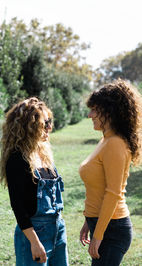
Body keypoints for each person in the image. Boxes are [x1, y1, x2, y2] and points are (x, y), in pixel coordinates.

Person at [0, 97, 69, 266]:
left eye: (50, 121)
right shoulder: (17, 158)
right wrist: (35, 242)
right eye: (45, 123)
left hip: (58, 230)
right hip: (34, 235)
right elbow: (18, 206)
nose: (50, 127)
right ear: (30, 126)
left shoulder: (43, 153)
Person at [79, 79, 142, 266]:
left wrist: (98, 235)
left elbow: (113, 193)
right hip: (102, 224)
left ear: (110, 112)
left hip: (112, 230)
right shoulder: (106, 140)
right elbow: (98, 188)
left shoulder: (115, 143)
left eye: (95, 110)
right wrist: (87, 222)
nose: (90, 115)